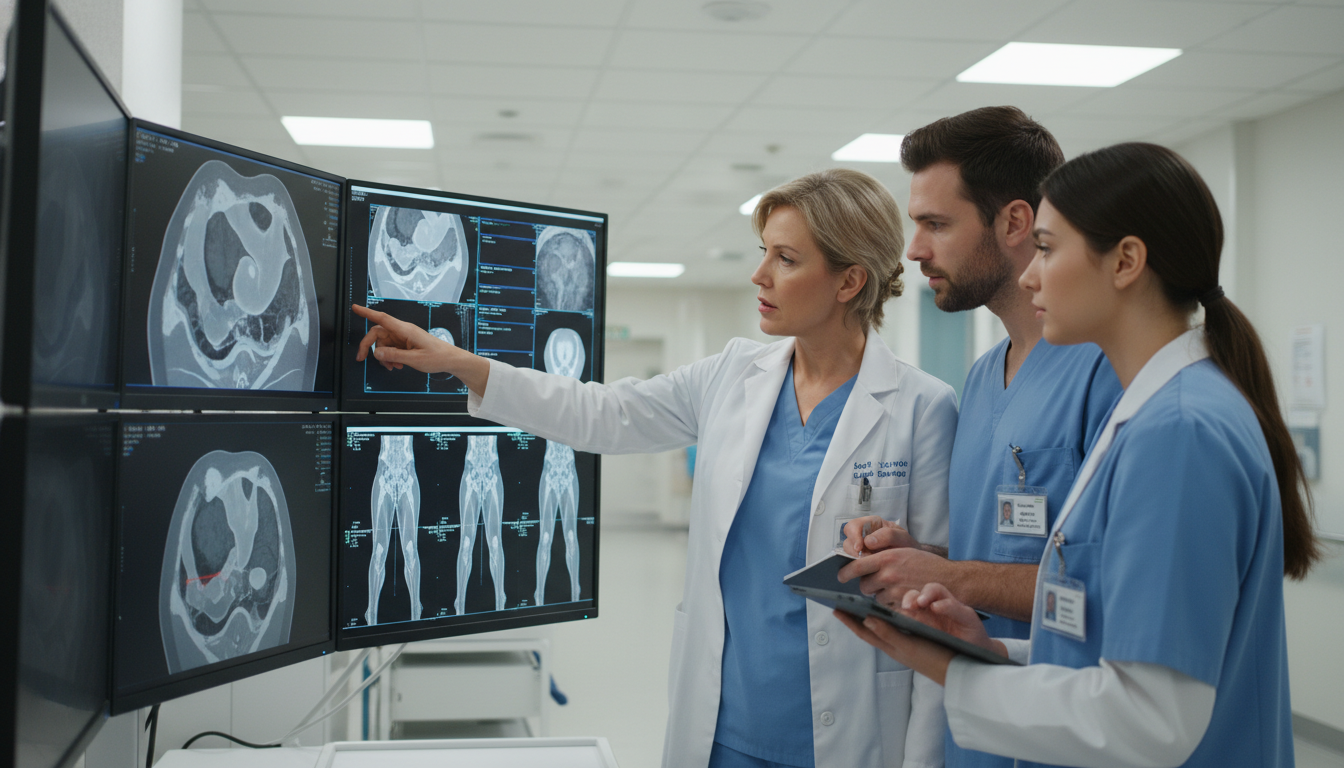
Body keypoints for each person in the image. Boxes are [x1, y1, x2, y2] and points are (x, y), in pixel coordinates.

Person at [351, 168, 959, 768]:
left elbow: (938, 603)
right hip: (726, 719)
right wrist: (459, 362)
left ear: (849, 280)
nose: (759, 274)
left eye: (786, 259)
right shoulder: (733, 374)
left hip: (853, 728)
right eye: (763, 252)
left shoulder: (921, 407)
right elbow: (605, 412)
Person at [838, 142, 1321, 768]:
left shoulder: (1178, 432)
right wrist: (985, 650)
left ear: (1125, 262)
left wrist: (957, 676)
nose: (1031, 274)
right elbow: (1105, 628)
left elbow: (1151, 719)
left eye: (1046, 248)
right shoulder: (1153, 413)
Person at [837, 108, 1122, 768]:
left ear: (1015, 222)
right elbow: (994, 552)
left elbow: (1119, 585)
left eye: (935, 224)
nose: (914, 249)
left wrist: (951, 575)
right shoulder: (981, 376)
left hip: (1071, 731)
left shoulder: (1105, 371)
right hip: (982, 728)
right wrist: (920, 556)